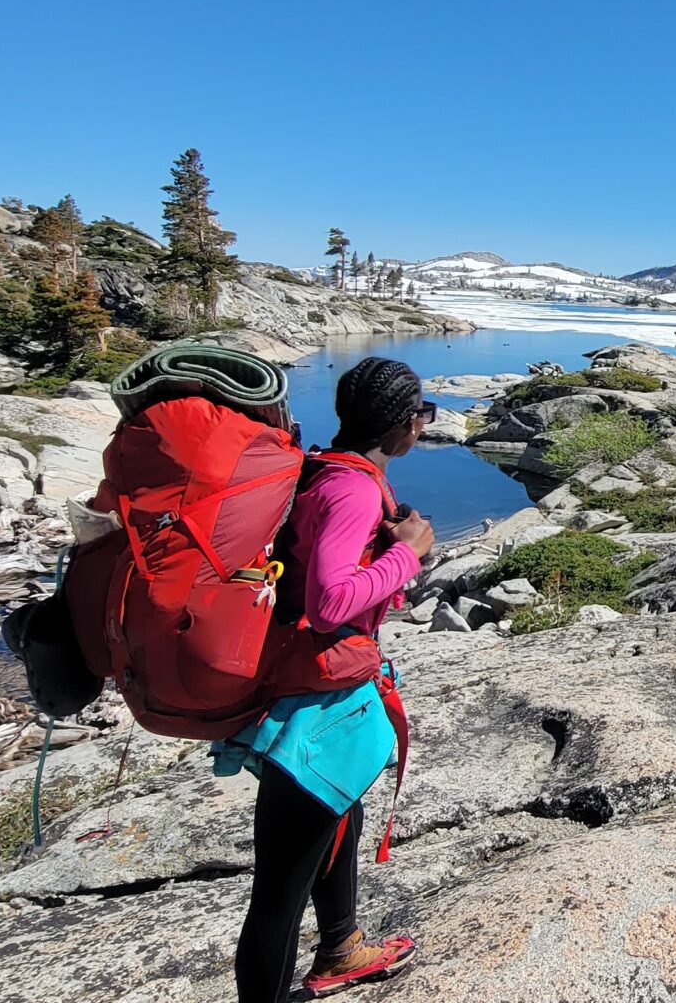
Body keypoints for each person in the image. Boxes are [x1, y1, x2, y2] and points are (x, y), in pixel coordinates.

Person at [221, 357, 438, 1002]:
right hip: (312, 701)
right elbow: (331, 601)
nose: (424, 426)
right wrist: (408, 555)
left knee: (336, 812)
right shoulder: (353, 489)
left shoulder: (326, 468)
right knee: (279, 890)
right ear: (406, 425)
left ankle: (341, 944)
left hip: (304, 683)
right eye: (422, 415)